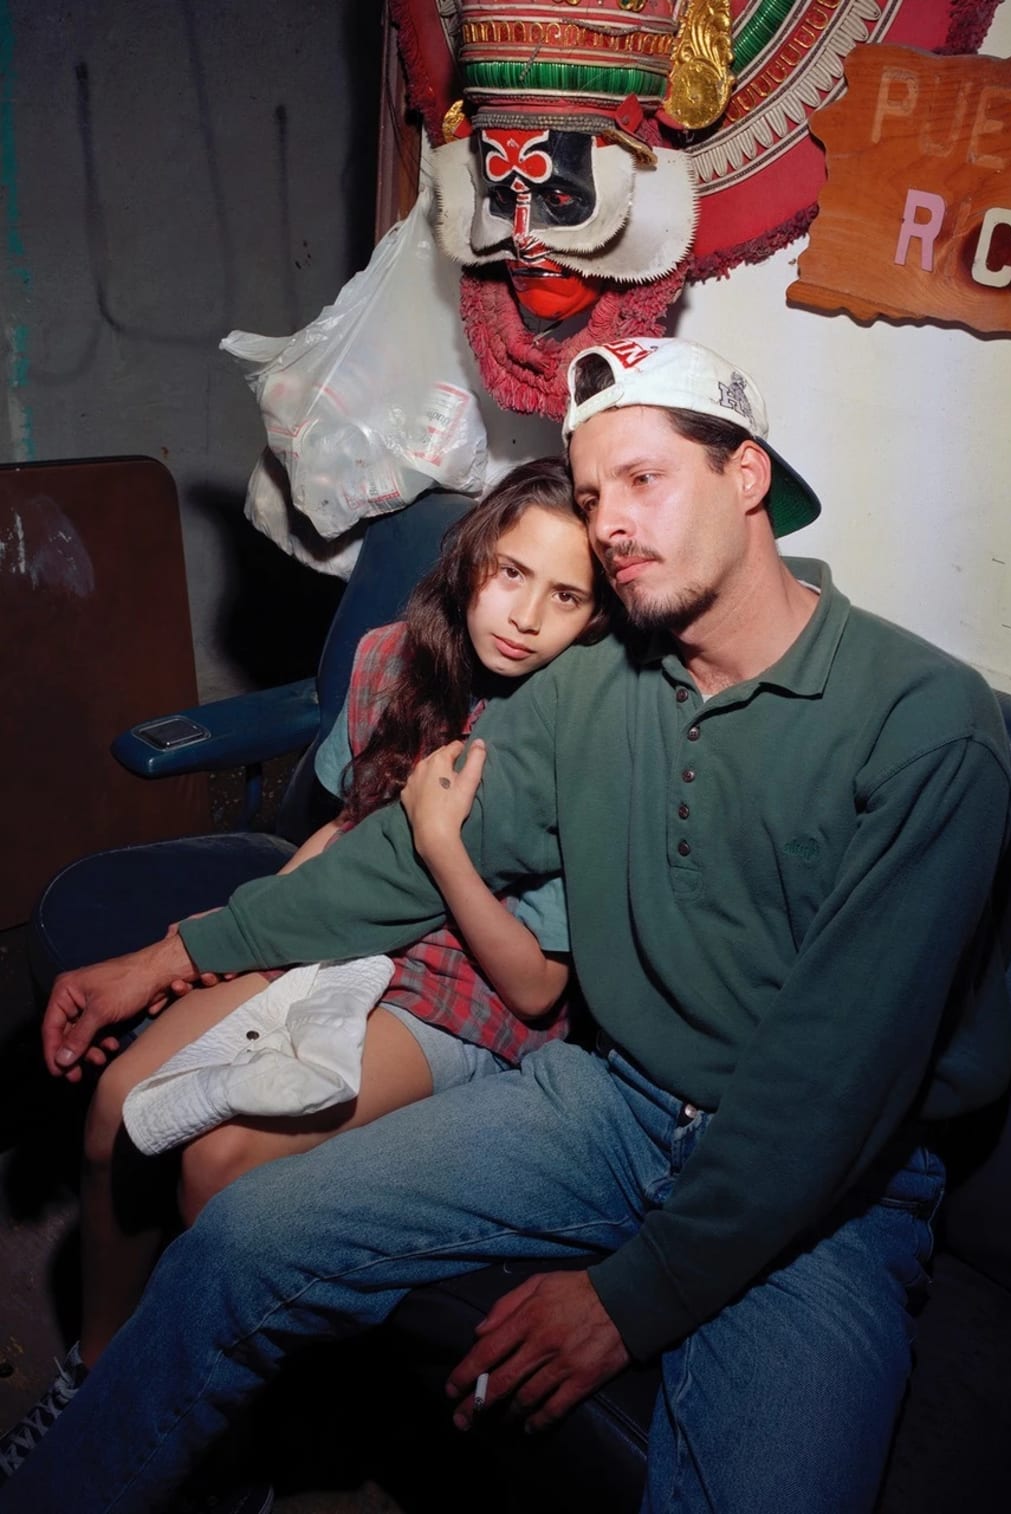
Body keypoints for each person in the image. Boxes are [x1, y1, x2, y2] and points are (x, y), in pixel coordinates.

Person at [1, 337, 1011, 1514]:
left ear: (746, 475)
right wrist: (174, 954)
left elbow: (837, 1075)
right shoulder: (599, 684)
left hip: (843, 1178)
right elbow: (400, 858)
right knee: (243, 1235)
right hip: (617, 1100)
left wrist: (633, 1294)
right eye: (593, 493)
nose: (613, 520)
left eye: (645, 479)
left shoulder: (920, 723)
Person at [0, 457, 610, 1482]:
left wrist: (442, 839)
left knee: (219, 1166)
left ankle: (206, 1436)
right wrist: (250, 932)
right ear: (470, 563)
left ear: (595, 620)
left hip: (465, 991)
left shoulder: (571, 734)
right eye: (510, 573)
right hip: (348, 924)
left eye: (566, 595)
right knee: (119, 1102)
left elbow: (539, 987)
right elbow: (339, 828)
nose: (525, 615)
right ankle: (100, 1376)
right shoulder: (388, 658)